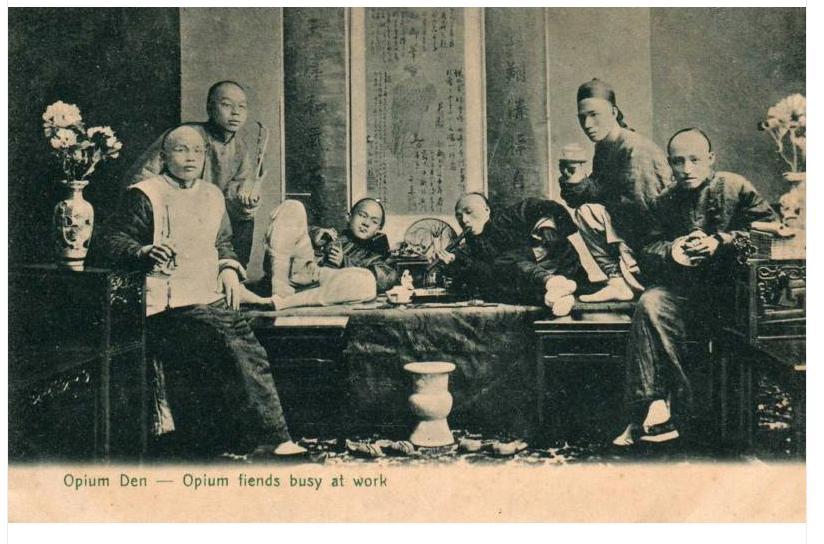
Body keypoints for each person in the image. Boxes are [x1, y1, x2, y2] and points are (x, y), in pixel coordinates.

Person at [104, 124, 305, 457]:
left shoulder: (212, 195)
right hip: (165, 305)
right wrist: (141, 252)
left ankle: (241, 438)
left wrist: (227, 267)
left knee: (256, 331)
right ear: (164, 156)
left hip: (209, 297)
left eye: (197, 151)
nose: (190, 157)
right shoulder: (146, 194)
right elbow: (112, 240)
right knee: (235, 338)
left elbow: (222, 242)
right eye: (181, 150)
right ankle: (274, 437)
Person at [612, 128, 778, 446]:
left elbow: (769, 234)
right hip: (685, 293)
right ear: (670, 164)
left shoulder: (735, 187)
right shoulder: (665, 201)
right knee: (651, 302)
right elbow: (648, 248)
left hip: (732, 294)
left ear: (711, 160)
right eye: (678, 162)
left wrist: (721, 242)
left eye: (695, 160)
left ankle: (668, 414)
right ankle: (653, 405)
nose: (686, 169)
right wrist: (675, 249)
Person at [122, 80, 261, 266]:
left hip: (210, 212)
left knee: (245, 219)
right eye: (226, 105)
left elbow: (237, 188)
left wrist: (245, 199)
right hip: (175, 208)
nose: (235, 112)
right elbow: (142, 176)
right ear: (210, 108)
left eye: (242, 107)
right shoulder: (186, 134)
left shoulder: (241, 147)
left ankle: (233, 273)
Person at [560, 78, 672, 302]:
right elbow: (593, 194)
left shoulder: (635, 149)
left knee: (590, 212)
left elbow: (647, 214)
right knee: (587, 211)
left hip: (655, 245)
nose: (588, 124)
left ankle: (631, 279)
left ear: (613, 112)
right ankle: (617, 280)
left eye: (594, 115)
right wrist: (574, 177)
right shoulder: (605, 146)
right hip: (628, 234)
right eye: (582, 117)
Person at [435, 193, 586, 317]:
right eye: (459, 216)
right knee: (498, 281)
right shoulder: (473, 244)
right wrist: (453, 263)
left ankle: (554, 285)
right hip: (535, 278)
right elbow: (485, 275)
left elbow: (542, 205)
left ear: (487, 210)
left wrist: (546, 225)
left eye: (469, 212)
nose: (464, 220)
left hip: (559, 261)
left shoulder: (506, 217)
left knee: (503, 263)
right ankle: (559, 296)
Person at [257, 197, 398, 310]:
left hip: (324, 286)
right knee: (293, 207)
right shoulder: (332, 236)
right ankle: (279, 288)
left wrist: (344, 262)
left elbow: (387, 277)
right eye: (362, 215)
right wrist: (315, 234)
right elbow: (289, 233)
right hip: (296, 271)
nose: (366, 223)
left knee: (367, 283)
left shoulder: (376, 255)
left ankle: (284, 302)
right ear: (349, 217)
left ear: (377, 230)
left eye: (373, 222)